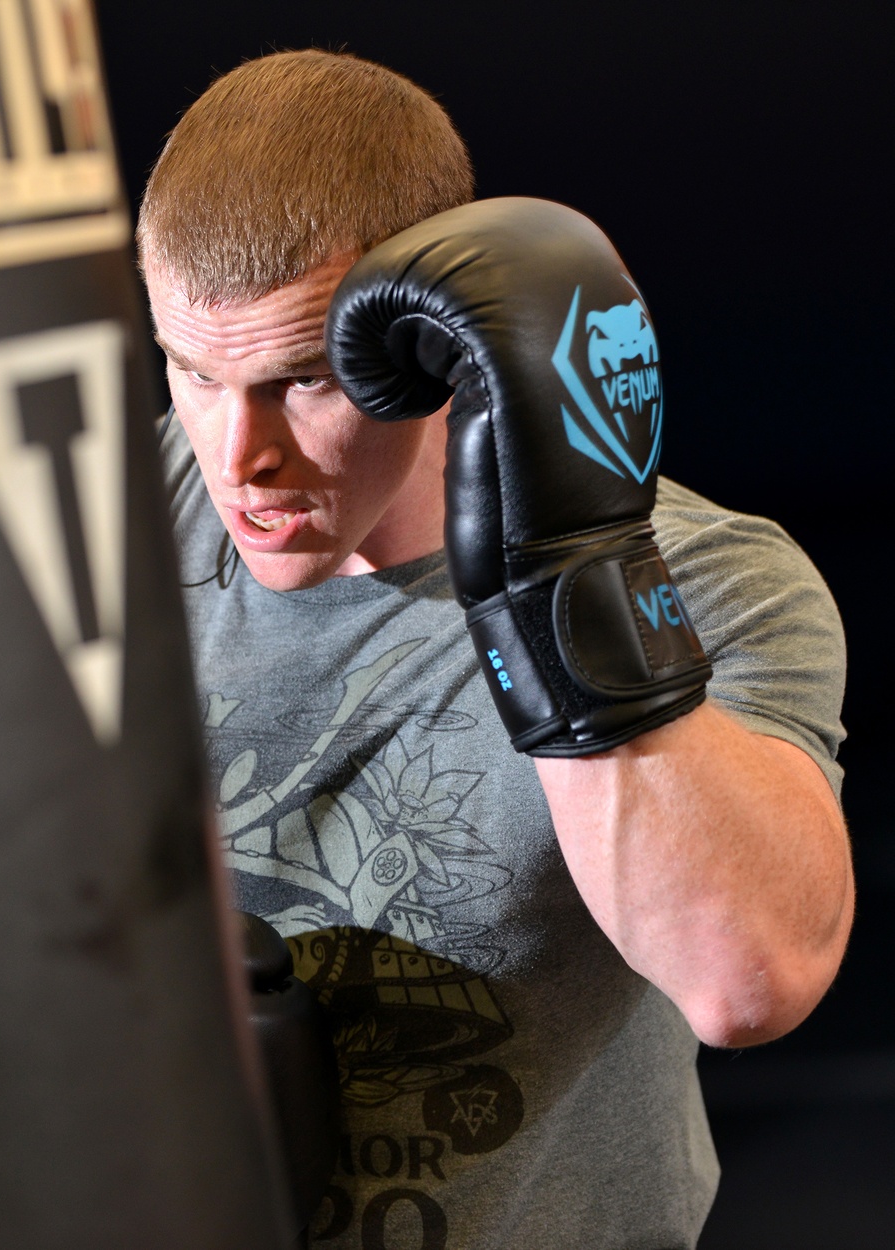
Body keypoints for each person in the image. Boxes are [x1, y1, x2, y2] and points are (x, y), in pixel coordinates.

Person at [137, 48, 853, 1250]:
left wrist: (561, 573)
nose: (239, 454)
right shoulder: (108, 511)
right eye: (195, 372)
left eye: (303, 377)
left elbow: (751, 980)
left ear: (423, 338)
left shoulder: (716, 579)